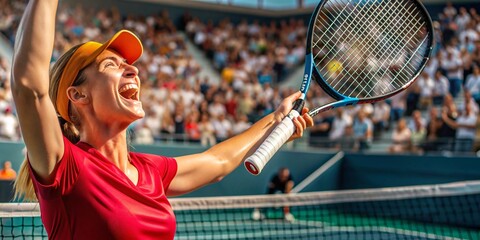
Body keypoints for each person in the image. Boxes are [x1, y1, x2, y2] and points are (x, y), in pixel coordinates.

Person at [11, 1, 313, 240]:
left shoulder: (149, 171)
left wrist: (275, 120)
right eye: (112, 65)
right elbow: (28, 86)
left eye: (130, 65)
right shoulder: (66, 166)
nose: (133, 70)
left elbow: (218, 162)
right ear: (78, 95)